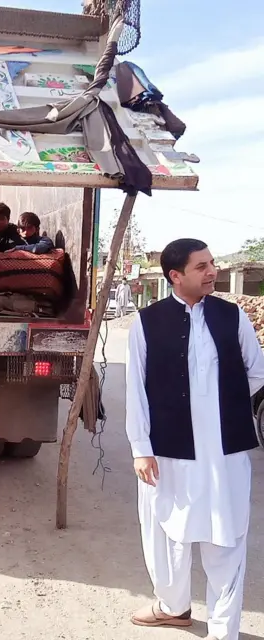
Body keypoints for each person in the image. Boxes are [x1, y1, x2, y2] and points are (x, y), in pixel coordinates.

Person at [126, 238, 264, 640]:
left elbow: (256, 370)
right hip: (168, 450)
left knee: (228, 536)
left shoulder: (232, 316)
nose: (212, 271)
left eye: (212, 263)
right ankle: (173, 607)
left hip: (225, 451)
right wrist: (140, 448)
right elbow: (136, 388)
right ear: (176, 276)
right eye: (201, 266)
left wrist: (221, 406)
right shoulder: (146, 322)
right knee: (167, 531)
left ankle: (225, 632)